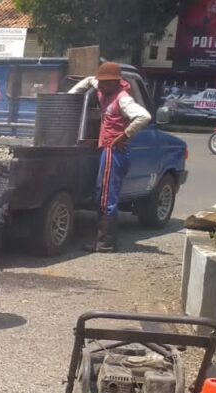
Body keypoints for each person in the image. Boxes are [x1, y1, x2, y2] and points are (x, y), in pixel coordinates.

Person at [68, 62, 151, 253]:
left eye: (105, 82)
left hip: (115, 151)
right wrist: (70, 97)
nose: (101, 85)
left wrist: (125, 134)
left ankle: (105, 243)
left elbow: (143, 117)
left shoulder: (123, 99)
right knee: (102, 193)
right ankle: (102, 241)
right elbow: (89, 81)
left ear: (115, 82)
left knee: (106, 197)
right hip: (107, 149)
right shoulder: (102, 89)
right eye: (101, 82)